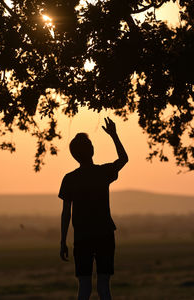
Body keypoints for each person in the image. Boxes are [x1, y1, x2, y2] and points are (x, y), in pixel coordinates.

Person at [58, 117, 128, 300]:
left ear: (74, 155)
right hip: (105, 234)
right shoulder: (103, 173)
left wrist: (63, 241)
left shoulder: (70, 179)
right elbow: (124, 159)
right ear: (92, 150)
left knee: (84, 287)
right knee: (104, 287)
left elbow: (66, 213)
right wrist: (114, 135)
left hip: (82, 237)